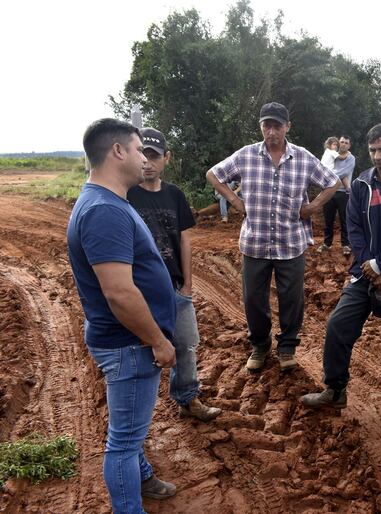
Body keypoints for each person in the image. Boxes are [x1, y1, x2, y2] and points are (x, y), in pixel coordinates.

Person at [67, 118, 178, 512]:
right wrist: (159, 341)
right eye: (136, 149)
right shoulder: (104, 211)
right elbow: (118, 292)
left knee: (132, 426)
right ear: (117, 152)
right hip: (130, 344)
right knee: (124, 441)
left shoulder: (109, 202)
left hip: (127, 340)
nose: (142, 159)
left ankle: (143, 476)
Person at [300, 123, 381, 418]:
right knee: (338, 325)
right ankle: (335, 390)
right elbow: (354, 230)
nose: (377, 155)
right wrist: (371, 265)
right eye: (372, 150)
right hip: (365, 270)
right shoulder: (361, 184)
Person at [206, 102, 341, 373]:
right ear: (261, 127)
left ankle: (287, 347)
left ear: (287, 127)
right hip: (254, 243)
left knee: (292, 299)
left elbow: (332, 182)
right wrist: (234, 200)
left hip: (291, 243)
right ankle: (260, 345)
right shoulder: (245, 156)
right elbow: (214, 174)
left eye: (277, 126)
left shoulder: (302, 158)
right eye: (266, 125)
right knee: (253, 299)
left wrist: (313, 207)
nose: (271, 131)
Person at [127, 127, 221, 422]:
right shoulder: (126, 195)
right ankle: (137, 414)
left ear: (166, 159)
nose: (146, 162)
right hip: (140, 291)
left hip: (175, 287)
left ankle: (187, 398)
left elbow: (184, 240)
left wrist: (188, 285)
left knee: (186, 344)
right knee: (140, 350)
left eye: (153, 156)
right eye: (141, 154)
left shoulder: (174, 195)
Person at [318, 135, 356, 255]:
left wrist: (329, 175)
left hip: (343, 193)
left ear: (349, 145)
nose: (343, 144)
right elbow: (323, 167)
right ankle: (327, 243)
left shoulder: (351, 158)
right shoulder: (332, 154)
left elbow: (343, 172)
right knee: (328, 219)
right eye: (341, 142)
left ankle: (345, 244)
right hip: (328, 191)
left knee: (344, 219)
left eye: (346, 142)